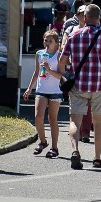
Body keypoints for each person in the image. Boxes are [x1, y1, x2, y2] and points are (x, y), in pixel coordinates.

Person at [59, 4, 101, 170]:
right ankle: (97, 158)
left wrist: (68, 70)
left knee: (75, 120)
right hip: (97, 85)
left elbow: (62, 62)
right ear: (99, 19)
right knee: (98, 122)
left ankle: (75, 151)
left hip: (78, 85)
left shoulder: (73, 35)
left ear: (84, 17)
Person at [23, 30, 64, 159]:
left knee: (52, 118)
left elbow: (60, 76)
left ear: (56, 43)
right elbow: (36, 72)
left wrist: (49, 69)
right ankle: (42, 141)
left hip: (55, 91)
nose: (47, 43)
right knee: (38, 116)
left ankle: (54, 147)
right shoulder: (39, 54)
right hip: (41, 89)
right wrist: (29, 88)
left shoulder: (59, 56)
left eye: (50, 41)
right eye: (45, 40)